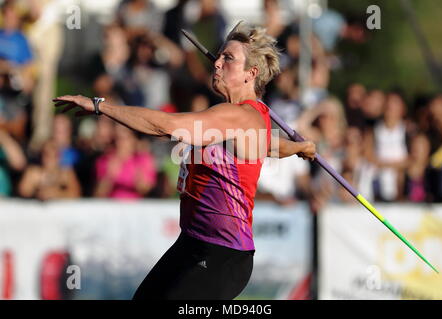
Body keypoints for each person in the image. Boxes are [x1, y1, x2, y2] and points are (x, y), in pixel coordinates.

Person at [53, 22, 316, 300]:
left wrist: (100, 106)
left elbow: (166, 126)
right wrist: (299, 147)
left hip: (221, 255)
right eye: (219, 55)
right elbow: (266, 145)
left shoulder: (239, 115)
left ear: (251, 73)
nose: (217, 63)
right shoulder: (249, 118)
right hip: (192, 242)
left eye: (229, 58)